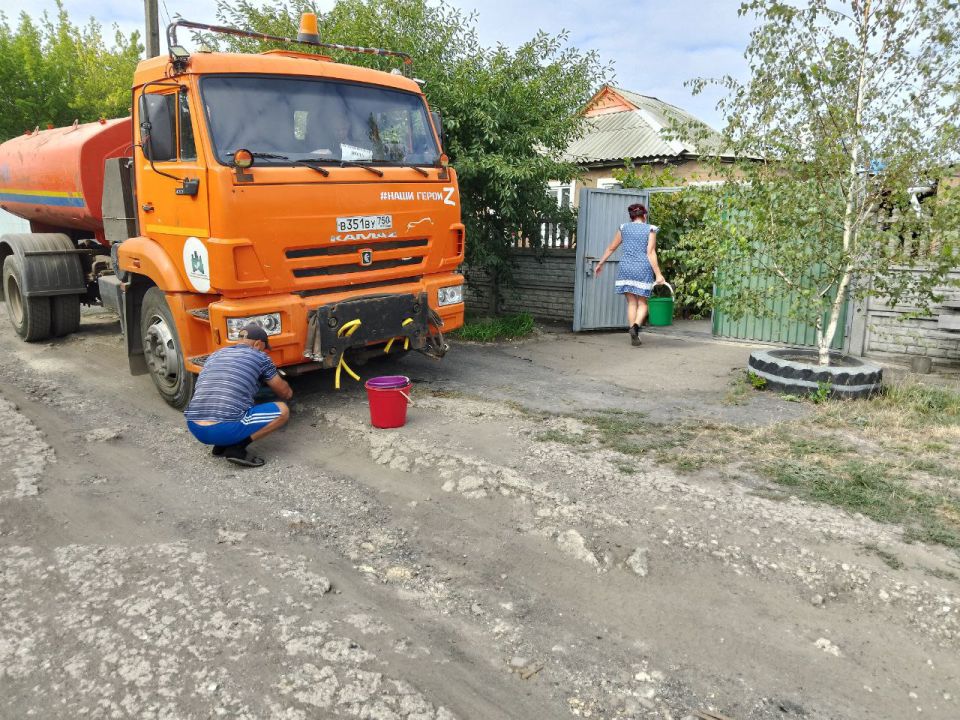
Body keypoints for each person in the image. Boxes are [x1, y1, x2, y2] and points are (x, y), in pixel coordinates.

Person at [183, 323, 293, 467]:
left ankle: (220, 446)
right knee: (282, 411)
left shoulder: (215, 355)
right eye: (265, 348)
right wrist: (289, 392)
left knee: (227, 397)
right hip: (223, 429)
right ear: (258, 344)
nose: (265, 352)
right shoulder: (260, 357)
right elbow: (283, 392)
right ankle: (237, 448)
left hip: (195, 426)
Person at [594, 203, 665, 346]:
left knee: (631, 302)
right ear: (644, 215)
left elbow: (611, 247)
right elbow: (650, 253)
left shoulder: (623, 228)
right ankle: (635, 328)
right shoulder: (650, 229)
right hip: (642, 268)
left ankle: (634, 336)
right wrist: (658, 274)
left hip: (626, 268)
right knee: (643, 303)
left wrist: (600, 263)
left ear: (631, 216)